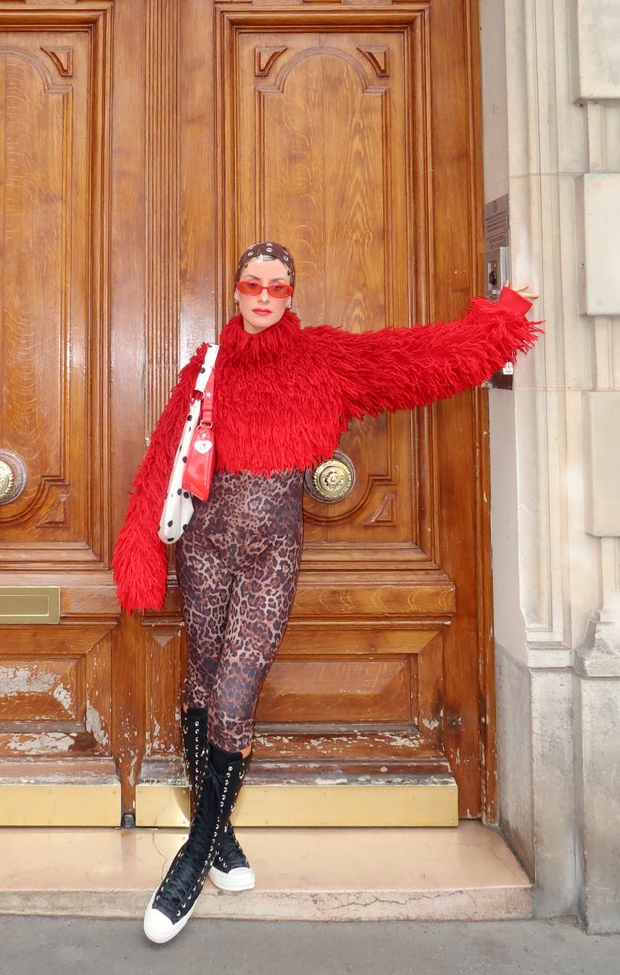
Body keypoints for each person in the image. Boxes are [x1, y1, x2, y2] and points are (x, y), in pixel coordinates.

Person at [113, 241, 541, 944]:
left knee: (235, 690)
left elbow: (416, 361)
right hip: (206, 543)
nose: (263, 296)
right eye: (252, 284)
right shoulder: (206, 365)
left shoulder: (325, 360)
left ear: (290, 294)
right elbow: (163, 453)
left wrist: (500, 324)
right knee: (201, 674)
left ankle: (191, 856)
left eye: (277, 286)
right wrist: (138, 548)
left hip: (272, 551)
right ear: (236, 292)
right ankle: (218, 834)